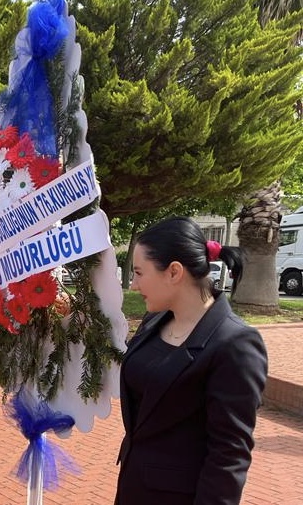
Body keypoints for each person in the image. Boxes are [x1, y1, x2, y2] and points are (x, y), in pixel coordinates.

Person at [115, 216, 268, 505]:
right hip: (133, 488)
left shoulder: (235, 344)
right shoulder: (154, 321)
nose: (133, 285)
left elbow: (229, 456)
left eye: (139, 273)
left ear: (174, 272)